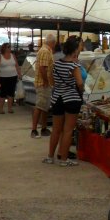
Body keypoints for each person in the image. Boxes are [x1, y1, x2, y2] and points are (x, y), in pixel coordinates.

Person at [45, 36, 84, 166]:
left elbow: (52, 81)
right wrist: (81, 90)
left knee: (56, 129)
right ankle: (64, 159)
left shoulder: (56, 63)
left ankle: (50, 157)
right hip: (71, 98)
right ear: (75, 50)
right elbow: (79, 83)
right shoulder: (74, 65)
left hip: (57, 98)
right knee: (68, 130)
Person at [30, 34, 56, 138]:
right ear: (52, 42)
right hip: (42, 83)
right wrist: (46, 81)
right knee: (40, 106)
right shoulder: (45, 51)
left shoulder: (45, 50)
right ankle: (34, 130)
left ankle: (44, 128)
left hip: (44, 83)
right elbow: (42, 68)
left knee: (45, 107)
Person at [0, 42, 21, 114]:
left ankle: (10, 108)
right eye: (8, 47)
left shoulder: (13, 55)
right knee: (3, 93)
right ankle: (1, 109)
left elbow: (17, 65)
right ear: (4, 48)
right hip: (3, 77)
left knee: (11, 93)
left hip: (13, 76)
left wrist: (19, 74)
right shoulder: (0, 56)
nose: (10, 48)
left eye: (10, 47)